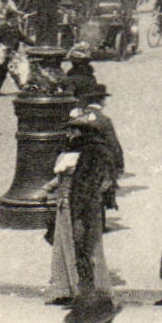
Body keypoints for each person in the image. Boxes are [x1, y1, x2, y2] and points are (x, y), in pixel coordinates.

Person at [40, 110, 117, 306]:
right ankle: (66, 288)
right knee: (63, 246)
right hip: (66, 205)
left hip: (79, 208)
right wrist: (48, 189)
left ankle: (88, 291)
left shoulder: (90, 155)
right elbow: (61, 178)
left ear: (82, 132)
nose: (68, 135)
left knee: (83, 248)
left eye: (72, 131)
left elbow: (102, 181)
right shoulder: (72, 153)